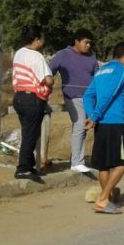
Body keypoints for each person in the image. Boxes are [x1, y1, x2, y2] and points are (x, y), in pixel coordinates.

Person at [83, 42, 124, 214]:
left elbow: (87, 95)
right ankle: (104, 199)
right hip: (114, 123)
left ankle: (110, 197)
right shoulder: (120, 70)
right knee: (123, 162)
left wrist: (93, 115)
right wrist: (95, 116)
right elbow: (108, 95)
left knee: (104, 166)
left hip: (102, 126)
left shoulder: (100, 71)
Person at [49, 29, 99, 173]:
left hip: (91, 98)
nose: (88, 45)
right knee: (80, 124)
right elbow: (48, 72)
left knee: (97, 126)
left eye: (90, 43)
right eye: (86, 42)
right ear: (77, 41)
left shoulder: (92, 57)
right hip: (73, 96)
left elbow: (97, 76)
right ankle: (77, 162)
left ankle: (99, 158)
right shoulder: (62, 55)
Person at [11, 26, 54, 182]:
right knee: (31, 135)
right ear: (36, 40)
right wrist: (51, 83)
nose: (43, 42)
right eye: (42, 39)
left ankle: (29, 166)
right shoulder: (36, 56)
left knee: (28, 133)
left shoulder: (18, 53)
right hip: (33, 99)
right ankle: (22, 168)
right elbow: (48, 79)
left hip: (19, 97)